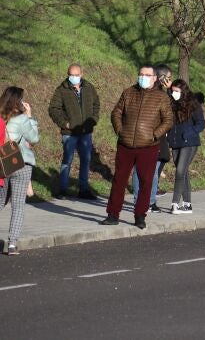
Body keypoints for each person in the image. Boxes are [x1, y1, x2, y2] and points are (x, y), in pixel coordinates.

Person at [102, 65, 174, 229]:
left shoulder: (161, 97)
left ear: (154, 78)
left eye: (147, 75)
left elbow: (168, 120)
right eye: (141, 74)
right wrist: (120, 130)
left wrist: (154, 135)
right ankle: (113, 214)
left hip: (148, 146)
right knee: (119, 180)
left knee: (146, 182)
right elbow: (116, 113)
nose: (143, 77)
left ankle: (140, 216)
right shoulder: (128, 92)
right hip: (125, 145)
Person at [47, 63, 100, 200]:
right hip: (69, 133)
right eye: (71, 75)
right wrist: (65, 123)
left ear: (81, 74)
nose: (74, 77)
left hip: (85, 132)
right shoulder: (62, 89)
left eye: (76, 75)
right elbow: (53, 109)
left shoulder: (89, 87)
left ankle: (84, 189)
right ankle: (63, 190)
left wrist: (93, 120)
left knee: (86, 160)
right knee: (67, 160)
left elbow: (96, 104)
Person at [1, 87, 40, 255]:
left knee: (1, 201)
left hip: (3, 163)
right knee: (18, 205)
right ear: (18, 101)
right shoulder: (22, 119)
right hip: (20, 163)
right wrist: (30, 117)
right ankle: (12, 244)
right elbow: (34, 138)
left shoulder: (1, 117)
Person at [132, 64, 174, 212]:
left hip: (152, 136)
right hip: (147, 137)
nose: (170, 81)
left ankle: (146, 201)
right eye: (168, 78)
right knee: (145, 171)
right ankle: (145, 201)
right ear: (161, 78)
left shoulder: (160, 93)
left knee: (149, 170)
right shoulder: (153, 93)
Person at [167, 80, 205, 214]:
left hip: (189, 143)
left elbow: (201, 124)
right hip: (175, 142)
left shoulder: (193, 105)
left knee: (179, 172)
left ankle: (175, 204)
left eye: (177, 91)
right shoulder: (172, 103)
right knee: (183, 172)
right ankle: (187, 204)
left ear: (183, 92)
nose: (174, 93)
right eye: (173, 91)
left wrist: (189, 133)